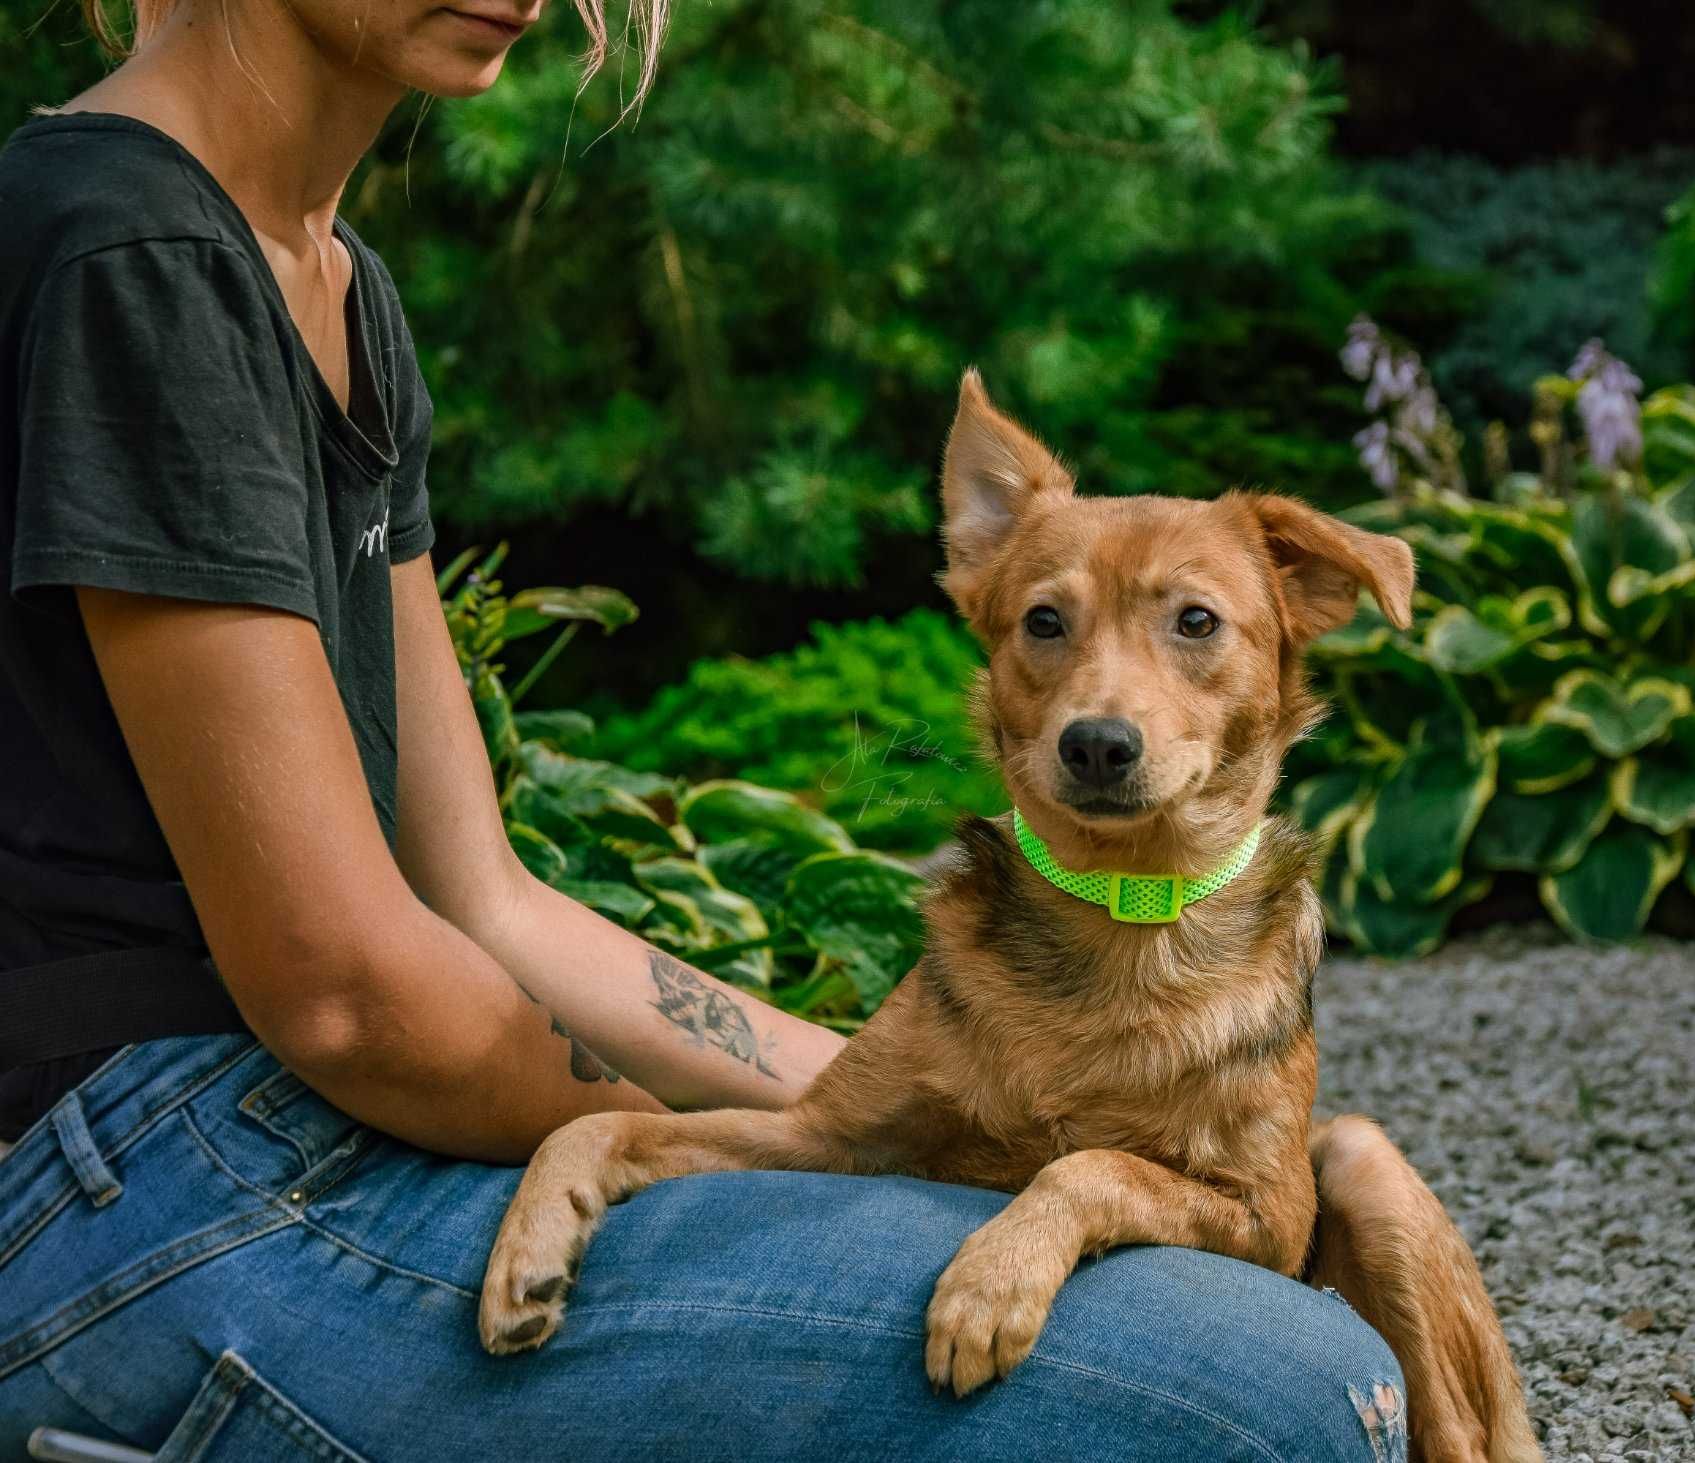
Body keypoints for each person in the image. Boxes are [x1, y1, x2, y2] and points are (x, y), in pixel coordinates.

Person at [0, 0, 1407, 1455]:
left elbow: (485, 897)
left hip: (288, 1134)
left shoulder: (334, 284)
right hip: (148, 1190)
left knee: (1303, 1316)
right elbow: (348, 996)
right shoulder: (137, 251)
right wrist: (650, 1150)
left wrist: (894, 1096)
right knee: (1279, 1397)